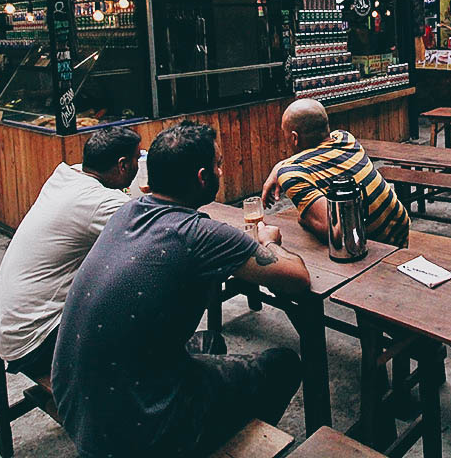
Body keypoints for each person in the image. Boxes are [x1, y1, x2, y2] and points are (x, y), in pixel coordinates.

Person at [52, 122, 310, 458]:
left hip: (74, 403)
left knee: (211, 342)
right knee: (283, 363)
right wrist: (269, 242)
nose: (222, 170)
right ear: (203, 177)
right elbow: (298, 277)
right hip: (134, 432)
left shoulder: (126, 210)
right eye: (218, 164)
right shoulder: (201, 234)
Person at [0, 126, 141, 379]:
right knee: (141, 299)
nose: (138, 165)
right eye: (137, 158)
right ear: (123, 165)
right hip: (35, 342)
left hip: (9, 326)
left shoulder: (67, 176)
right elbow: (156, 227)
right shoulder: (97, 202)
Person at [262, 99, 410, 247]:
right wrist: (278, 167)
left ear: (294, 137)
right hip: (400, 229)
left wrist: (305, 218)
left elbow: (334, 232)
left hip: (375, 246)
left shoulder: (293, 174)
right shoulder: (345, 138)